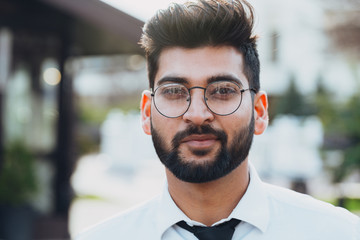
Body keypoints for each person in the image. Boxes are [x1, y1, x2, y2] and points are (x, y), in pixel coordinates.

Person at [76, 0, 360, 239]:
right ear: (146, 112)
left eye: (223, 91)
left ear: (260, 112)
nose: (198, 114)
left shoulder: (338, 233)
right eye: (174, 91)